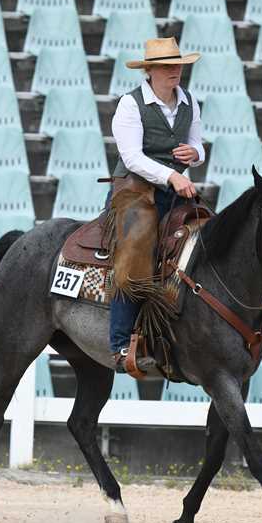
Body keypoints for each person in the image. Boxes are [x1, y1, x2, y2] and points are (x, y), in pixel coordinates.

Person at [106, 37, 205, 373]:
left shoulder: (189, 101)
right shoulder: (130, 105)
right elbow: (132, 157)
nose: (174, 70)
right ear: (150, 71)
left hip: (174, 190)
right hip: (133, 189)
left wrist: (195, 154)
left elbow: (197, 145)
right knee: (136, 245)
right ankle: (121, 343)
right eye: (166, 66)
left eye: (177, 65)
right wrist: (172, 175)